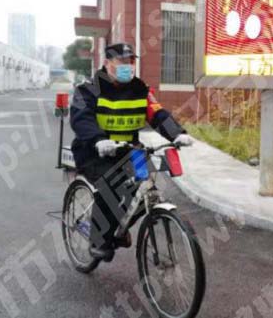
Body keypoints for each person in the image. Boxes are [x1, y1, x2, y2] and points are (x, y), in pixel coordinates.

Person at [69, 42, 193, 261]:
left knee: (144, 186)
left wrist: (176, 134)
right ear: (107, 63)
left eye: (131, 61)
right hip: (94, 151)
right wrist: (99, 140)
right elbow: (81, 118)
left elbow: (157, 113)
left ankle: (119, 226)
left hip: (130, 150)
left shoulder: (139, 88)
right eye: (122, 61)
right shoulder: (88, 89)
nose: (128, 66)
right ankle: (99, 239)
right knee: (111, 184)